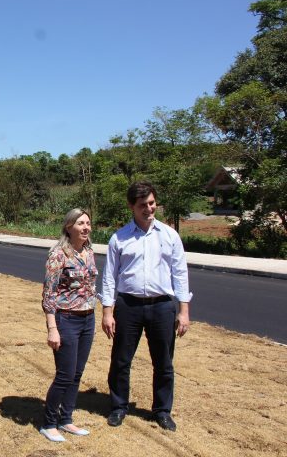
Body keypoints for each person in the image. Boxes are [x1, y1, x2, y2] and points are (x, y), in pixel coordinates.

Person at [100, 181, 191, 432]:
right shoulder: (119, 238)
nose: (149, 209)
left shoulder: (170, 236)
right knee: (121, 360)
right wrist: (107, 311)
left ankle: (162, 411)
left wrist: (183, 311)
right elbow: (109, 277)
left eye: (152, 203)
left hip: (162, 306)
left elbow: (180, 274)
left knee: (164, 363)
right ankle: (119, 406)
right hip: (128, 306)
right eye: (143, 205)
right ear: (131, 206)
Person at [39, 208, 98, 443]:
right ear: (68, 226)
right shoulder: (58, 254)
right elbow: (49, 294)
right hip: (66, 320)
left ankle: (66, 419)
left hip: (88, 319)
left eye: (88, 223)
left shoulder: (89, 251)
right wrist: (52, 328)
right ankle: (49, 423)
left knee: (77, 374)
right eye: (80, 223)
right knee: (65, 375)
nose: (86, 227)